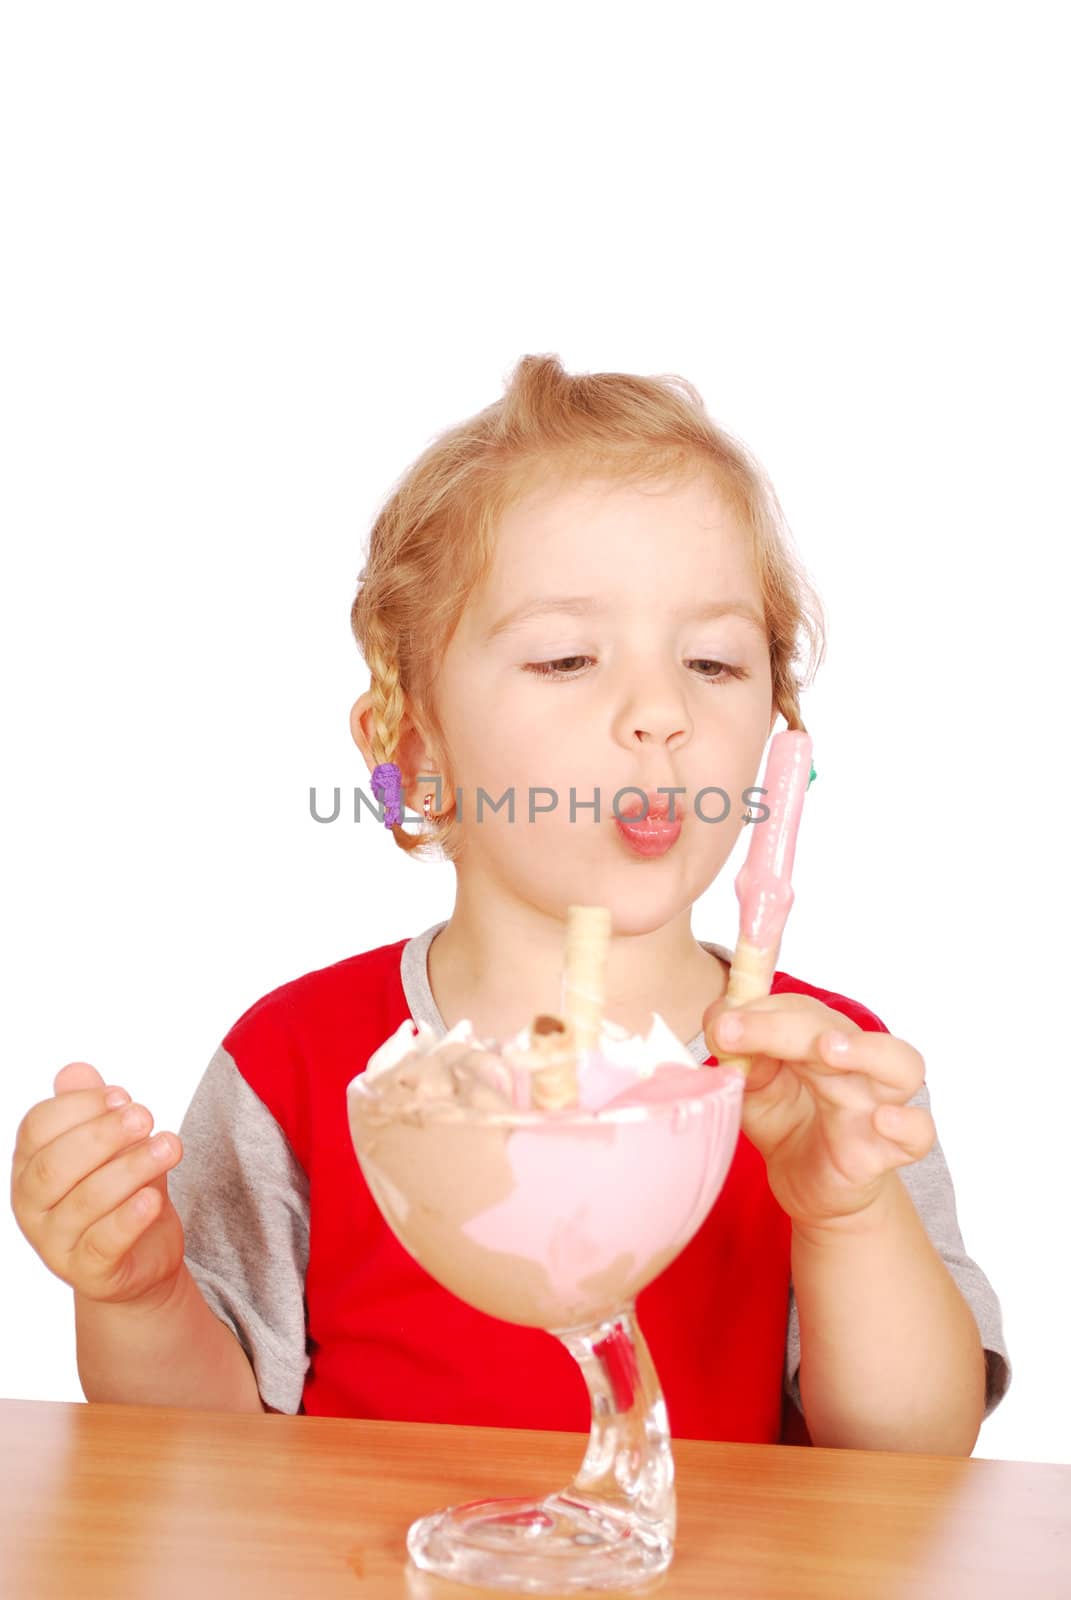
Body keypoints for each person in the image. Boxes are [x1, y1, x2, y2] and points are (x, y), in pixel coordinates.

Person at [11, 354, 1011, 1451]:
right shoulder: (295, 1066)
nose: (658, 712)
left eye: (716, 664)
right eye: (568, 656)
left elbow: (915, 1467)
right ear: (415, 746)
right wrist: (141, 1293)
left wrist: (846, 1212)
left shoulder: (826, 1082)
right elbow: (197, 1457)